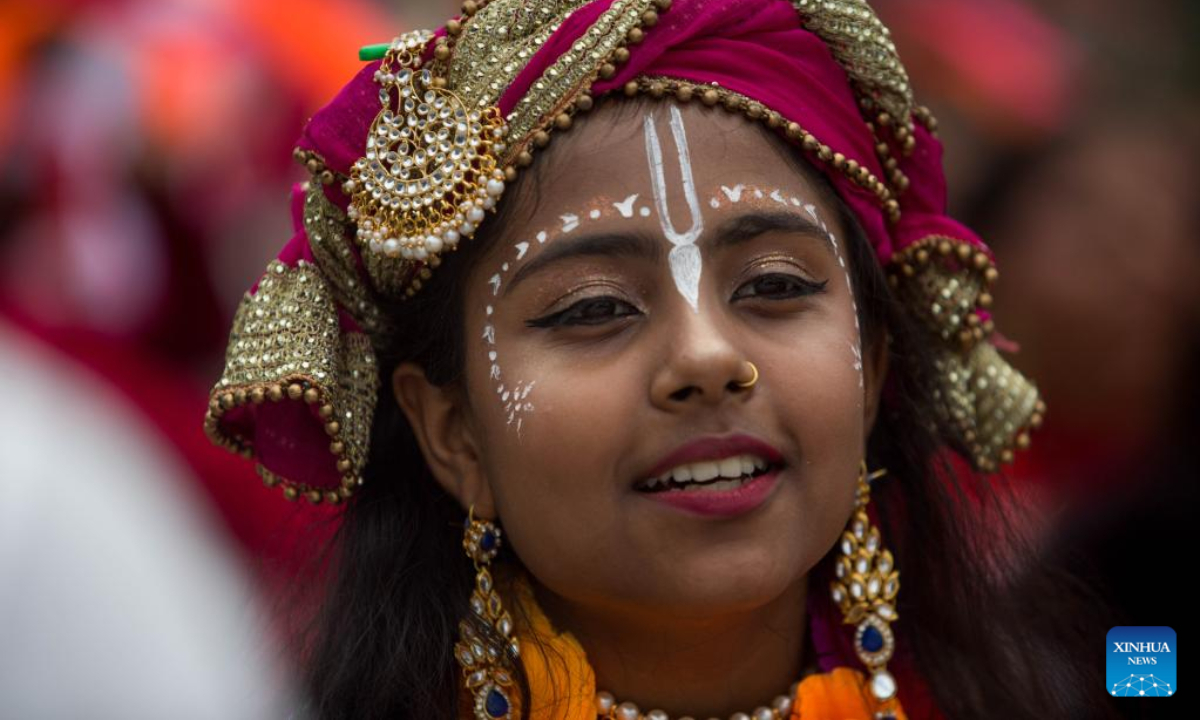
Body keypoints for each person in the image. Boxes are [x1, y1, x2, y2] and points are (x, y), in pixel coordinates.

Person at [204, 0, 1116, 717]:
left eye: (774, 287)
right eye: (594, 308)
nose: (709, 357)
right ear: (454, 435)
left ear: (874, 369)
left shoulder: (1079, 687)